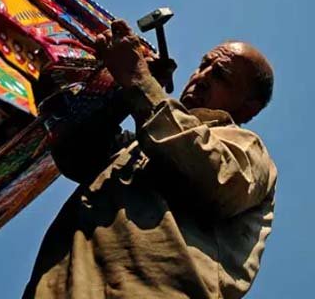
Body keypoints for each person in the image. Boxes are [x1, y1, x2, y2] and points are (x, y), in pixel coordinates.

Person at [23, 19, 277, 299]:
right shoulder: (137, 147)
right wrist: (120, 91)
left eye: (220, 75)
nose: (202, 76)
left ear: (247, 108)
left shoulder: (248, 148)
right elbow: (76, 153)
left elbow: (213, 175)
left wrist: (138, 79)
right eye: (203, 65)